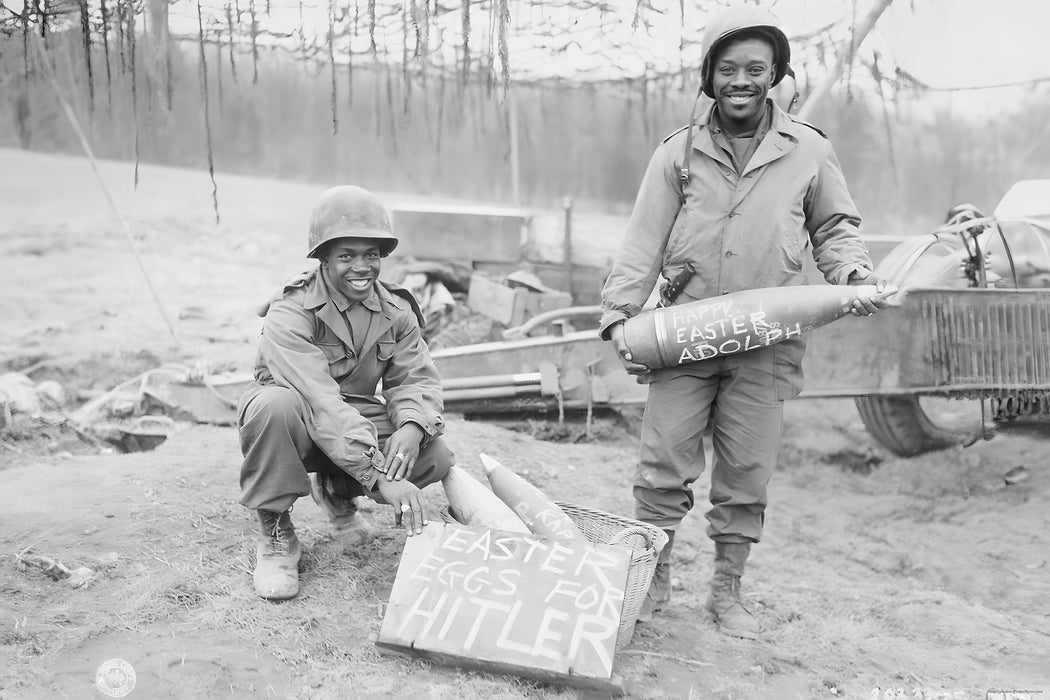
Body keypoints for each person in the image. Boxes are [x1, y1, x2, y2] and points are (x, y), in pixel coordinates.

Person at [599, 5, 889, 639]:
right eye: (727, 69)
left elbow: (834, 228)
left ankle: (727, 591)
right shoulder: (677, 153)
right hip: (685, 335)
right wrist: (621, 313)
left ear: (775, 74)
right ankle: (652, 579)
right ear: (709, 76)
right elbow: (643, 241)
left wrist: (853, 275)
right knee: (662, 465)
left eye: (755, 69)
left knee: (747, 473)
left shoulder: (809, 149)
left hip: (767, 342)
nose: (741, 81)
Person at [237, 185, 453, 601]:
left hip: (350, 419)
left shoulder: (396, 310)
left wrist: (412, 426)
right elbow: (318, 400)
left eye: (371, 254)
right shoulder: (291, 310)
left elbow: (415, 378)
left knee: (434, 454)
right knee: (273, 407)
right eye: (346, 256)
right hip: (296, 416)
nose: (361, 267)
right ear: (322, 258)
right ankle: (276, 532)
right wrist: (380, 476)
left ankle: (336, 490)